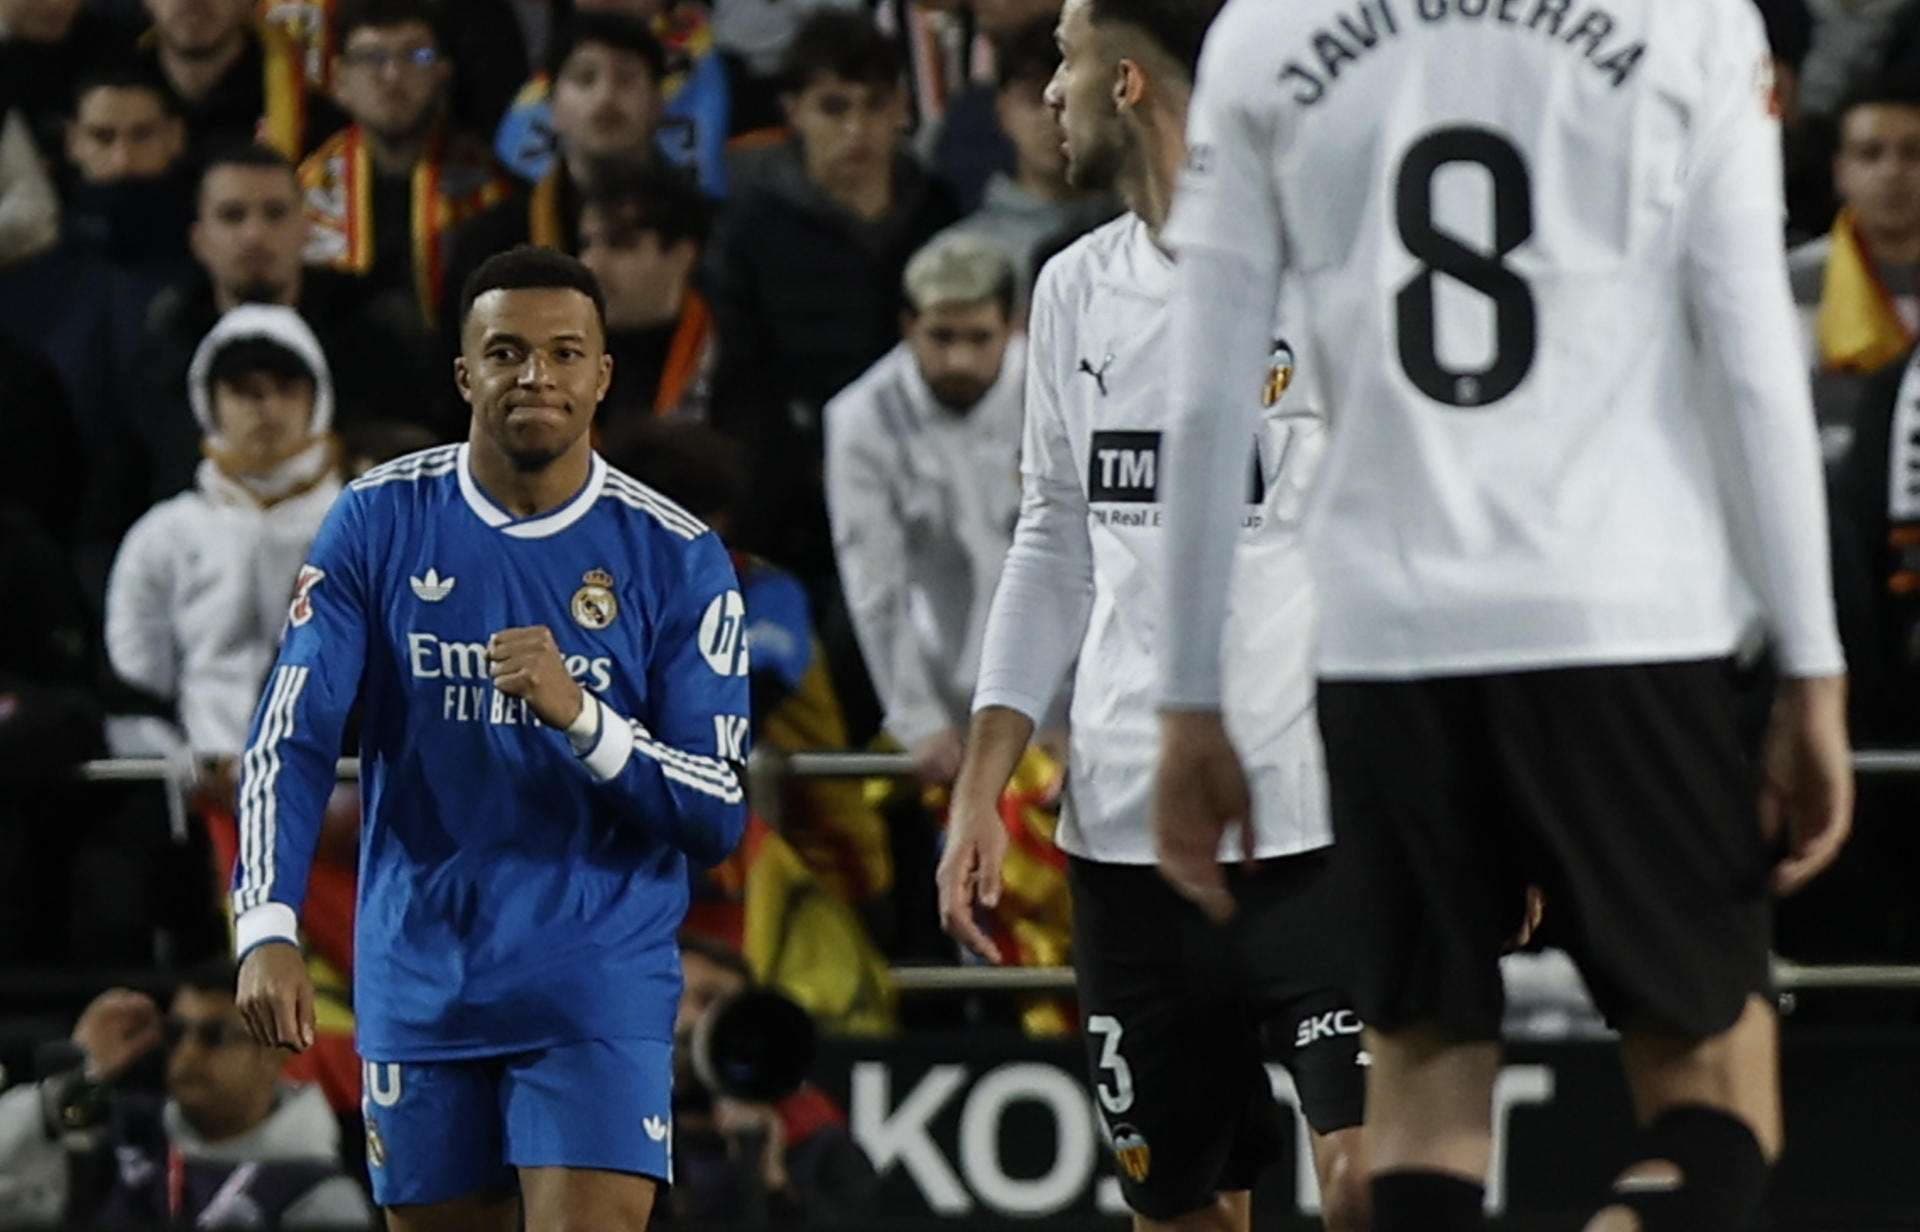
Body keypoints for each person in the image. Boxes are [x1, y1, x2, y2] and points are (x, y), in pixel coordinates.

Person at [1152, 3, 1855, 1231]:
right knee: (1721, 1105)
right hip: (1625, 619)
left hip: (1381, 639)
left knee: (1420, 1084)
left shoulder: (1263, 33)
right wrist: (1814, 663)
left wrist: (1188, 699)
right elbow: (1751, 357)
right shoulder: (1688, 20)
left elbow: (1207, 397)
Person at [935, 1, 1367, 1228]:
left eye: (1065, 63)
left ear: (1128, 81)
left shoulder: (1325, 264)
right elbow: (1054, 538)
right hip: (1124, 842)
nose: (1049, 96)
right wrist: (982, 782)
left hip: (1318, 823)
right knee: (1183, 1211)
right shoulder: (1073, 287)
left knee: (1373, 1178)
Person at [230, 244, 750, 1230]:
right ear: (466, 372)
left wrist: (584, 717)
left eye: (564, 353)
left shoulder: (677, 556)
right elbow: (288, 738)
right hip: (422, 967)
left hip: (594, 979)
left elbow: (716, 809)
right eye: (507, 352)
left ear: (602, 373)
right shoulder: (378, 520)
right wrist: (267, 926)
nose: (536, 377)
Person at [707, 8, 959, 611]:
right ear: (792, 110)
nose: (857, 130)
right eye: (834, 107)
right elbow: (742, 382)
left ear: (903, 108)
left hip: (935, 489)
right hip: (795, 511)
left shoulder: (938, 216)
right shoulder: (750, 232)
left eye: (874, 105)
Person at [826, 232, 1026, 787]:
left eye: (979, 338)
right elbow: (875, 582)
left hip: (1058, 697)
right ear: (908, 326)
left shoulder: (1056, 392)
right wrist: (919, 721)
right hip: (937, 696)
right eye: (941, 336)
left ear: (1013, 327)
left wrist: (1069, 709)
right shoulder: (861, 420)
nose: (959, 358)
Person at [105, 304, 343, 761]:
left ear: (319, 399)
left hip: (342, 790)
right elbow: (135, 686)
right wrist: (178, 762)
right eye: (244, 391)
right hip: (193, 797)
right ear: (208, 401)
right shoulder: (164, 535)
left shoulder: (364, 530)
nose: (267, 408)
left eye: (285, 389)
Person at [0, 966, 372, 1230]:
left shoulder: (317, 1195)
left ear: (273, 1053)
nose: (187, 1054)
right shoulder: (119, 1138)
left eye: (214, 1036)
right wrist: (71, 1088)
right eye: (177, 1033)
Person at [300, 0, 513, 331]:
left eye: (416, 56)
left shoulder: (493, 191)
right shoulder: (307, 194)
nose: (393, 76)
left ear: (443, 73)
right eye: (372, 58)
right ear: (339, 80)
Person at [664, 933, 879, 1225]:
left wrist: (772, 1181)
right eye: (671, 999)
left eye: (709, 1001)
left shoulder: (819, 1144)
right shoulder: (624, 1144)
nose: (686, 1020)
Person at [936, 15, 1118, 306]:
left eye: (1070, 99)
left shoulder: (1141, 231)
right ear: (1002, 108)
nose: (1052, 118)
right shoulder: (954, 256)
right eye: (1034, 100)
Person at [1788, 76, 1920, 466]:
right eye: (1870, 154)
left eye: (1913, 154)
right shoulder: (1790, 285)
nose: (1892, 172)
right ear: (1840, 173)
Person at [576, 162, 716, 424]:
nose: (591, 264)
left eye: (619, 244)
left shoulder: (733, 364)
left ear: (682, 256)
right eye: (586, 244)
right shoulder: (559, 368)